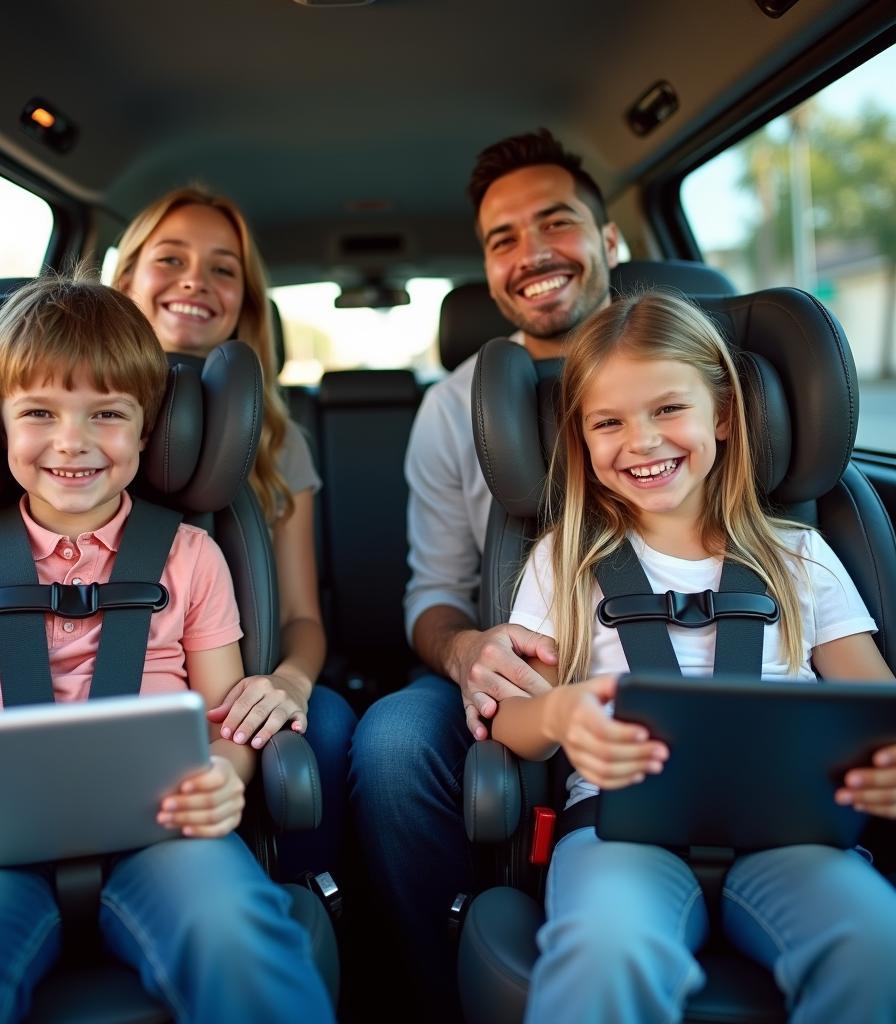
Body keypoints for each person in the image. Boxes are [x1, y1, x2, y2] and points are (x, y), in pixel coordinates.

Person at [0, 276, 335, 1023]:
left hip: (166, 837)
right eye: (39, 413)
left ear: (148, 428)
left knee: (240, 942)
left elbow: (226, 723)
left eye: (108, 414)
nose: (73, 441)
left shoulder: (191, 557)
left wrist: (225, 773)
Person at [493, 289, 896, 1023]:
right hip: (619, 828)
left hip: (793, 835)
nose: (642, 442)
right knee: (605, 949)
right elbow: (511, 722)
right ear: (581, 440)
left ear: (723, 415)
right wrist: (559, 712)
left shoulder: (801, 555)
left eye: (668, 410)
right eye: (608, 422)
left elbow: (874, 704)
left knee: (876, 940)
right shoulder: (565, 560)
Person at [348, 128, 620, 1015]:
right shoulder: (450, 405)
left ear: (610, 239)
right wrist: (465, 651)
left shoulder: (698, 377)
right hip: (509, 674)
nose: (532, 254)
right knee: (388, 742)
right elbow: (431, 595)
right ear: (486, 267)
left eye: (557, 223)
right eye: (502, 239)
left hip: (668, 654)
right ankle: (441, 990)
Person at [113, 187, 356, 882]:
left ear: (246, 305)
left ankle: (304, 895)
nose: (196, 279)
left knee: (327, 730)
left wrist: (289, 681)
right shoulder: (74, 434)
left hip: (241, 689)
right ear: (125, 279)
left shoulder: (280, 442)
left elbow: (303, 616)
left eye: (224, 269)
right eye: (170, 258)